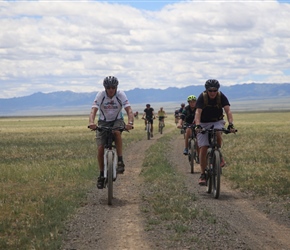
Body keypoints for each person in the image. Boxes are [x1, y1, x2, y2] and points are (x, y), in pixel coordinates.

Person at [88, 76, 134, 189]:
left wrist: (130, 123)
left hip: (117, 120)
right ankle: (101, 175)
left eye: (113, 87)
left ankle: (120, 160)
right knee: (100, 148)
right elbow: (93, 110)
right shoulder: (101, 95)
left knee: (117, 132)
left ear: (116, 87)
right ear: (105, 88)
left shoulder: (120, 95)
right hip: (103, 121)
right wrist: (91, 122)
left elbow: (129, 110)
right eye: (108, 87)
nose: (111, 90)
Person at [194, 79, 236, 186]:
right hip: (203, 123)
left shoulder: (221, 96)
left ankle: (218, 154)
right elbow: (198, 112)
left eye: (214, 90)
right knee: (203, 148)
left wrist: (231, 124)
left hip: (217, 121)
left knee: (218, 132)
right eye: (210, 90)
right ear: (206, 90)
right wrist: (198, 125)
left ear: (217, 89)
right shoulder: (202, 97)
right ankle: (203, 174)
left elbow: (228, 111)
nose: (212, 93)